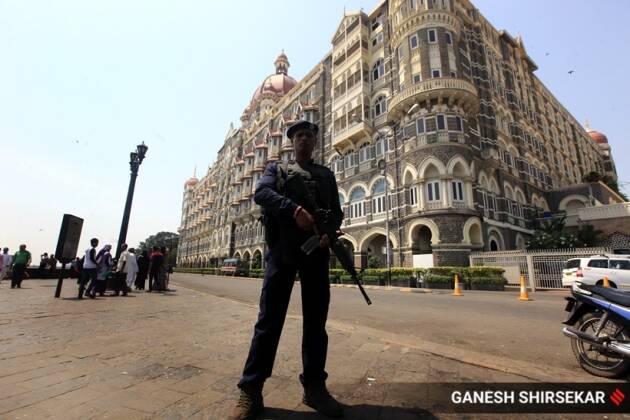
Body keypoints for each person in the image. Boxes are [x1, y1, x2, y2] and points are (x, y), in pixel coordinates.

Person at [229, 121, 344, 419]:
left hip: (315, 254)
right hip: (282, 252)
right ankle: (250, 391)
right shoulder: (276, 171)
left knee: (316, 324)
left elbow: (337, 213)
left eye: (309, 135)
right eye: (299, 136)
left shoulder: (326, 175)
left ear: (315, 141)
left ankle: (315, 388)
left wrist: (327, 234)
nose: (304, 139)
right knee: (268, 321)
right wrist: (294, 210)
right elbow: (261, 194)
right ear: (291, 143)